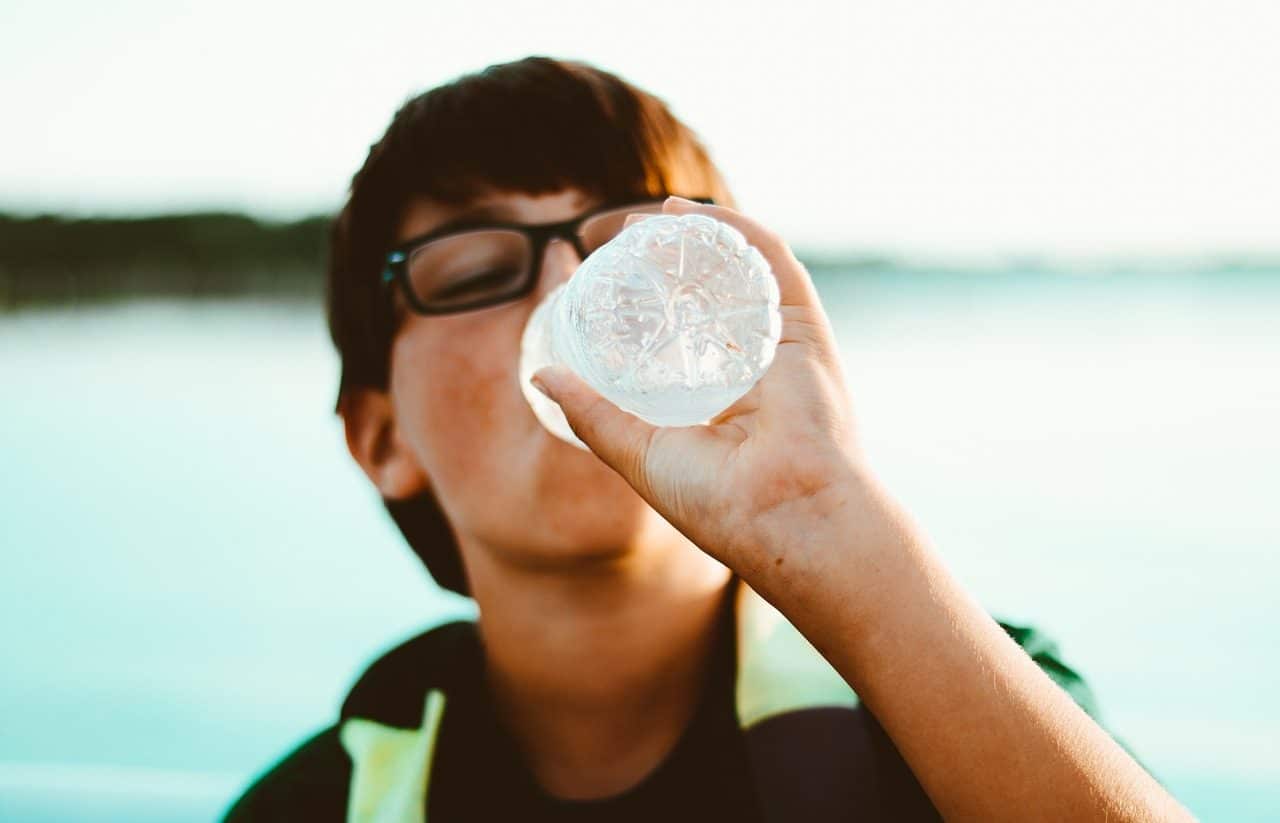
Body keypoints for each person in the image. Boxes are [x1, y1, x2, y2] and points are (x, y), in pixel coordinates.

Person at [223, 55, 1192, 822]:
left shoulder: (969, 703)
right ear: (379, 434)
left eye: (638, 254)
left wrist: (826, 521)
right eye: (477, 267)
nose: (576, 295)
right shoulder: (314, 805)